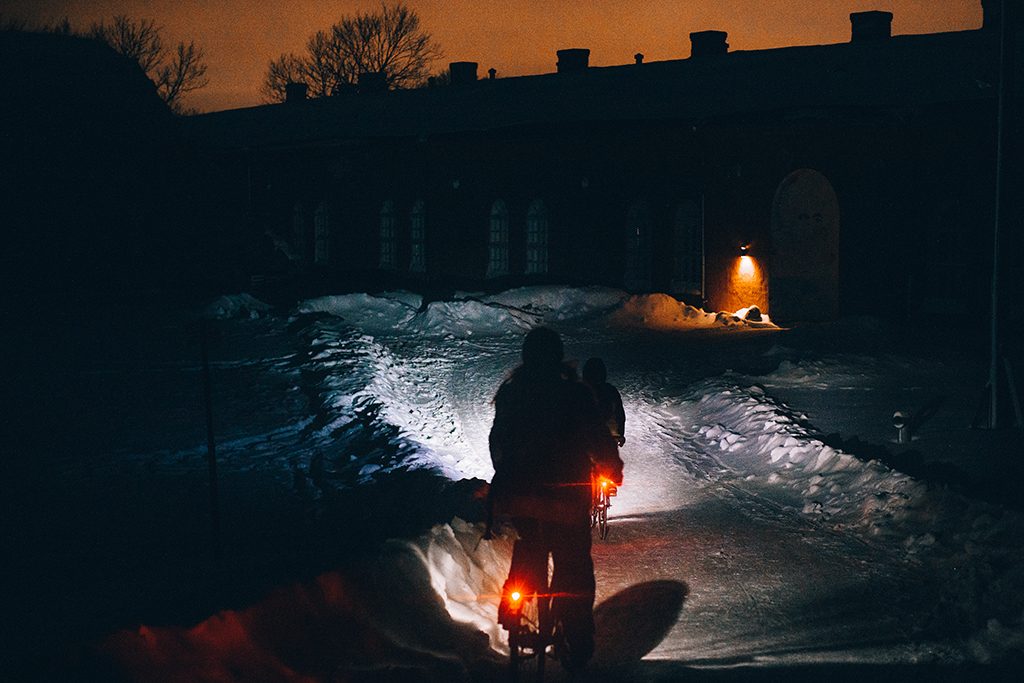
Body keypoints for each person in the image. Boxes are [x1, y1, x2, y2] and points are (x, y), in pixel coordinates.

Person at [489, 327, 623, 672]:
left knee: (529, 546)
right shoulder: (575, 394)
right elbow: (598, 437)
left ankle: (514, 605)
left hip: (521, 494)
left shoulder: (512, 392)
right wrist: (613, 467)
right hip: (567, 497)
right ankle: (576, 638)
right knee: (573, 563)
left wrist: (505, 477)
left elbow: (498, 441)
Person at [582, 357, 626, 446]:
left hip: (584, 441)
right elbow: (619, 415)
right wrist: (620, 434)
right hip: (604, 439)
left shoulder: (578, 390)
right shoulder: (610, 390)